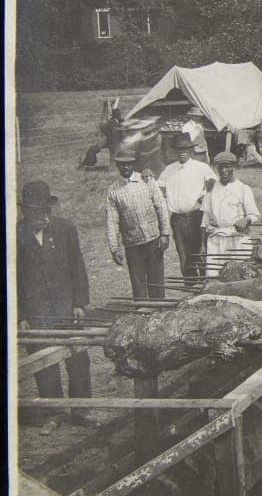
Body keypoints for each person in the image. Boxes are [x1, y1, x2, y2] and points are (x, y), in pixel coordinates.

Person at [17, 180, 92, 420]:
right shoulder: (16, 236)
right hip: (36, 312)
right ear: (25, 211)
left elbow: (77, 268)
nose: (43, 216)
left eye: (46, 210)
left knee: (78, 358)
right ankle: (56, 413)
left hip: (66, 308)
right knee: (44, 363)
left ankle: (82, 412)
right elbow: (12, 279)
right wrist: (20, 316)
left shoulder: (66, 229)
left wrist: (79, 303)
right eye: (37, 211)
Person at [106, 146, 170, 300]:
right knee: (138, 282)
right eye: (122, 164)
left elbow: (161, 207)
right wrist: (114, 248)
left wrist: (165, 234)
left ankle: (159, 311)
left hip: (153, 239)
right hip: (132, 244)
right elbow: (112, 221)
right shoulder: (113, 190)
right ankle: (142, 313)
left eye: (128, 163)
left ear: (134, 164)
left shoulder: (147, 180)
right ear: (117, 165)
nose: (126, 167)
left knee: (157, 281)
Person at [157, 133, 217, 284]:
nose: (182, 152)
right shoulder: (169, 170)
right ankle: (190, 287)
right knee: (184, 256)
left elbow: (212, 182)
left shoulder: (201, 167)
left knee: (202, 253)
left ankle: (206, 285)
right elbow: (158, 187)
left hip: (197, 216)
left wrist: (205, 194)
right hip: (178, 219)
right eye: (179, 149)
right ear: (175, 151)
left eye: (185, 149)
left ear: (191, 150)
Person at [202, 151, 260, 276]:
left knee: (239, 277)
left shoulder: (243, 188)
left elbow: (254, 215)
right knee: (214, 277)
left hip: (237, 239)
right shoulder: (212, 189)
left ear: (234, 167)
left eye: (228, 166)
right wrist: (205, 235)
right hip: (216, 240)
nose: (224, 170)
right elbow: (205, 215)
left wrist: (246, 220)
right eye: (221, 167)